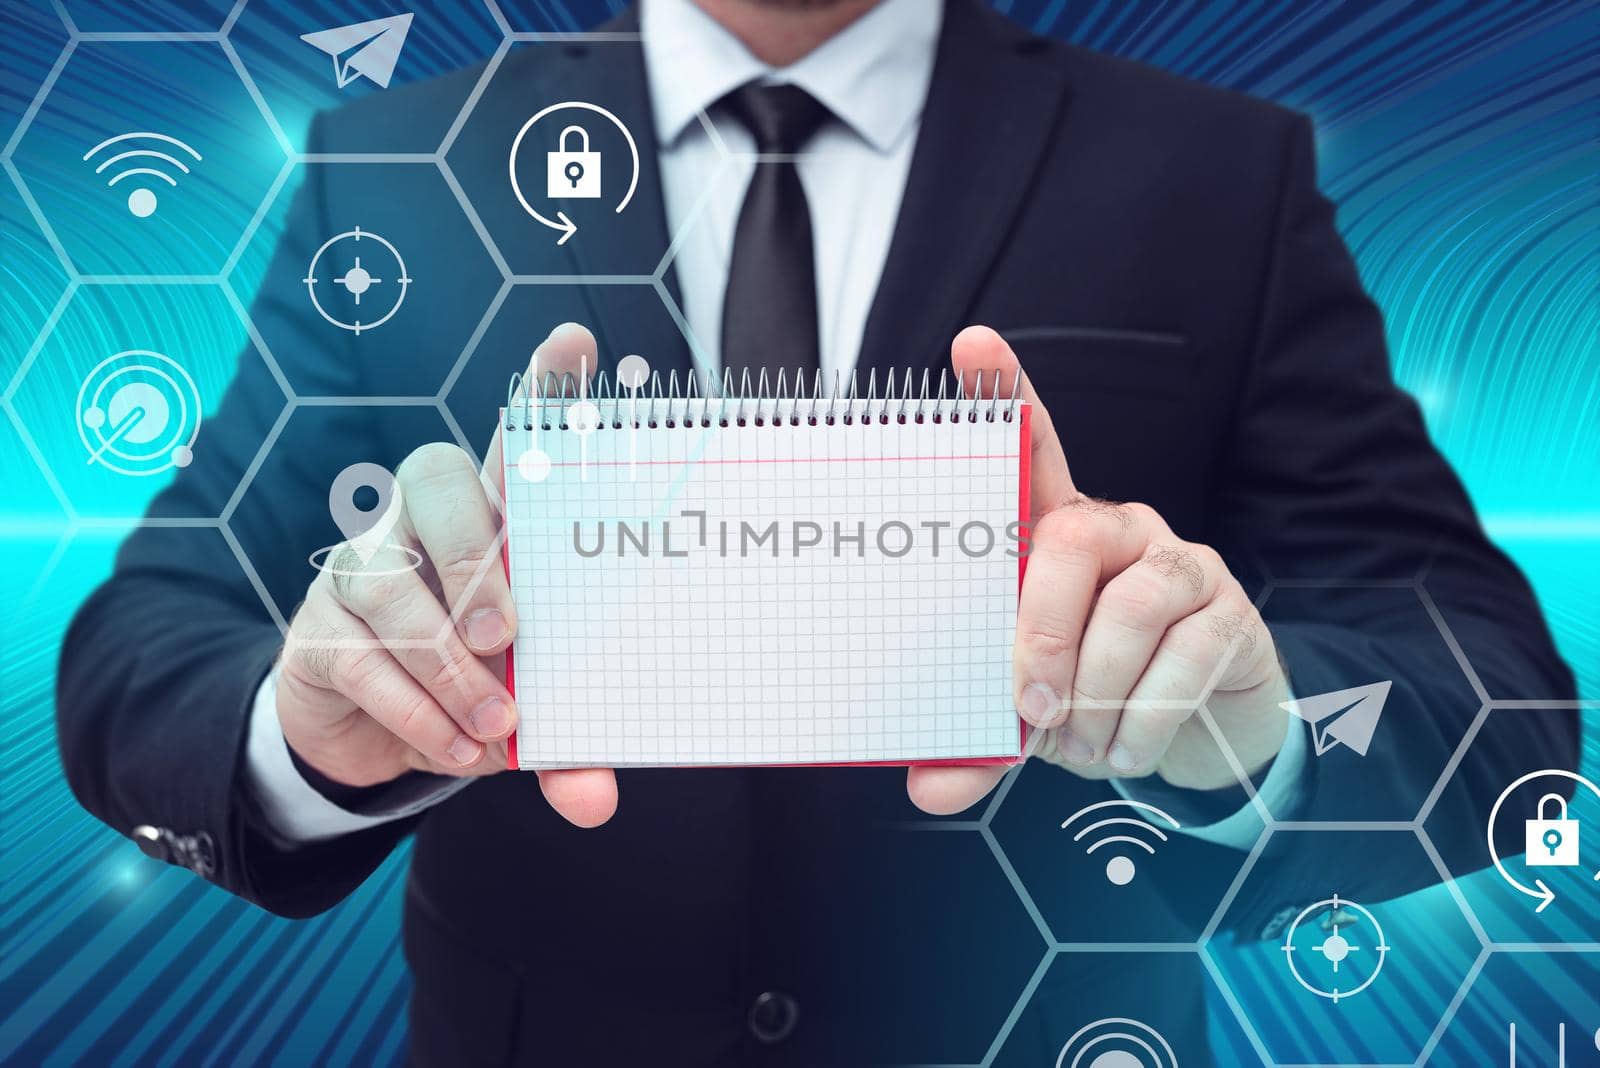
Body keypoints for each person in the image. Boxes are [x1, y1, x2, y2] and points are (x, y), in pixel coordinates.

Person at [58, 0, 1577, 1064]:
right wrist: (312, 724)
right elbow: (144, 649)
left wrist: (1263, 737)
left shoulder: (1215, 171)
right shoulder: (387, 165)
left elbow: (1488, 676)